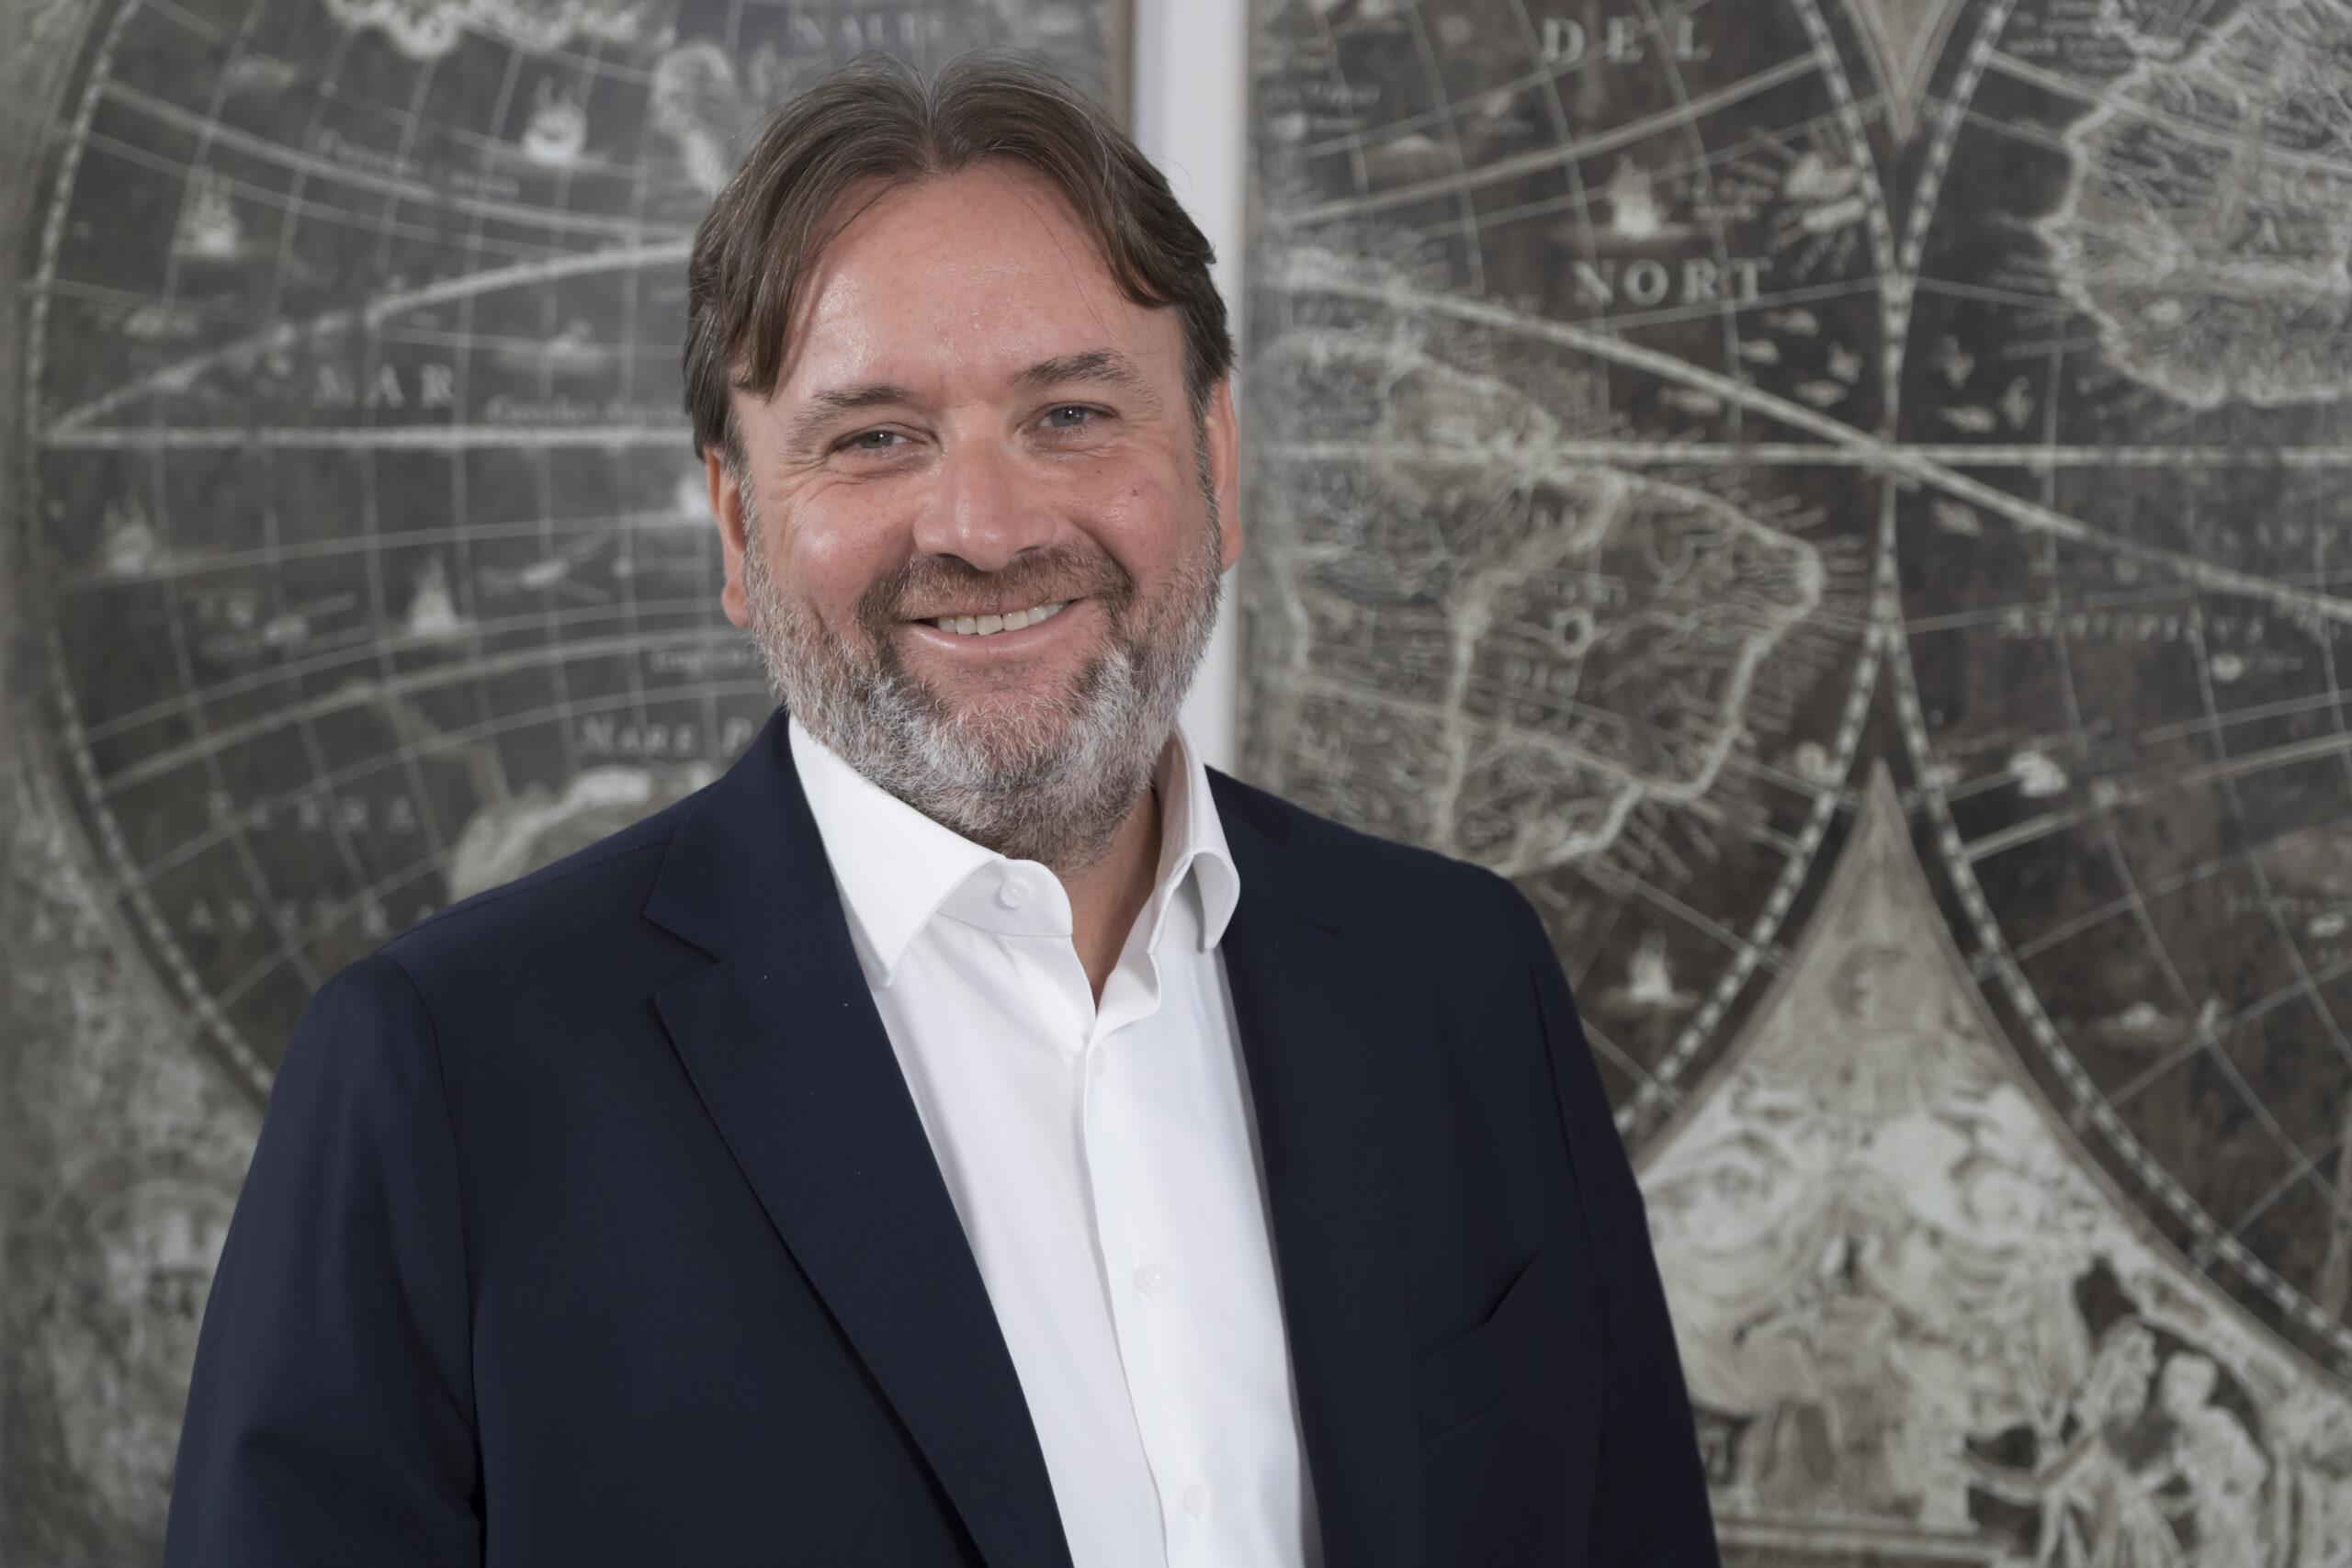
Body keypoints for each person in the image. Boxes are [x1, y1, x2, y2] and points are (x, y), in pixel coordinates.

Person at [161, 52, 1719, 1568]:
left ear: (1216, 460)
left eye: (1073, 414)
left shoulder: (1464, 981)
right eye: (874, 438)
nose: (983, 526)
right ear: (738, 526)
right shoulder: (441, 1081)